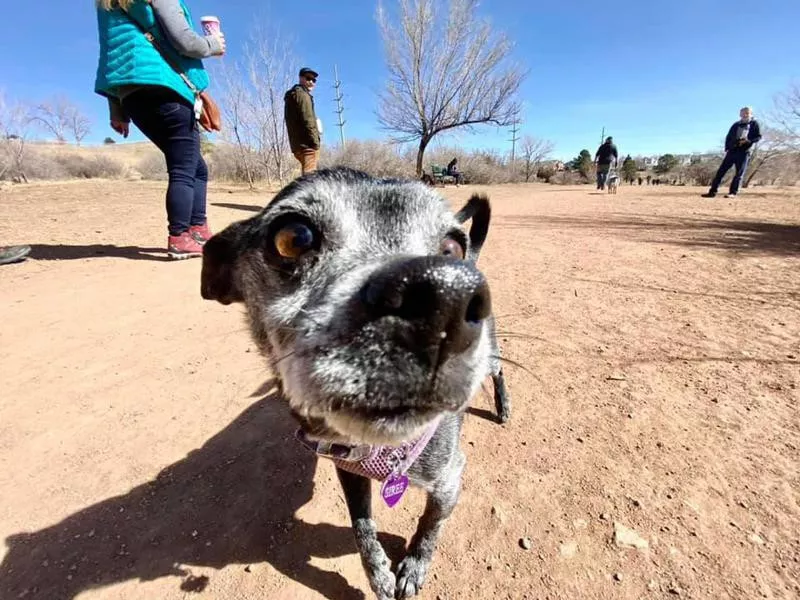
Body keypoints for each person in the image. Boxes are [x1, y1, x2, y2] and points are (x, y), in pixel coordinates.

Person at [94, 0, 226, 260]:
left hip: (132, 96)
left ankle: (197, 229)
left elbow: (110, 57)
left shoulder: (107, 6)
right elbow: (185, 41)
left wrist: (117, 108)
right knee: (184, 167)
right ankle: (180, 237)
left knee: (196, 166)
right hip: (165, 89)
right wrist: (214, 45)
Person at [702, 107, 762, 199]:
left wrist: (748, 141)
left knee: (739, 174)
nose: (745, 114)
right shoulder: (736, 124)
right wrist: (727, 147)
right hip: (732, 151)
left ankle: (733, 193)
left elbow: (758, 137)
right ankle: (712, 192)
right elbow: (729, 136)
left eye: (747, 113)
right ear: (740, 114)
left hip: (744, 152)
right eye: (743, 113)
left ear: (751, 114)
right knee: (720, 172)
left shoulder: (754, 124)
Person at [284, 68, 321, 176]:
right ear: (301, 78)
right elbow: (308, 120)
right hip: (307, 144)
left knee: (306, 177)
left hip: (297, 145)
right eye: (308, 78)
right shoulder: (302, 95)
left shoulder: (293, 95)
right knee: (309, 180)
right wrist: (315, 143)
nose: (311, 82)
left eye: (314, 80)